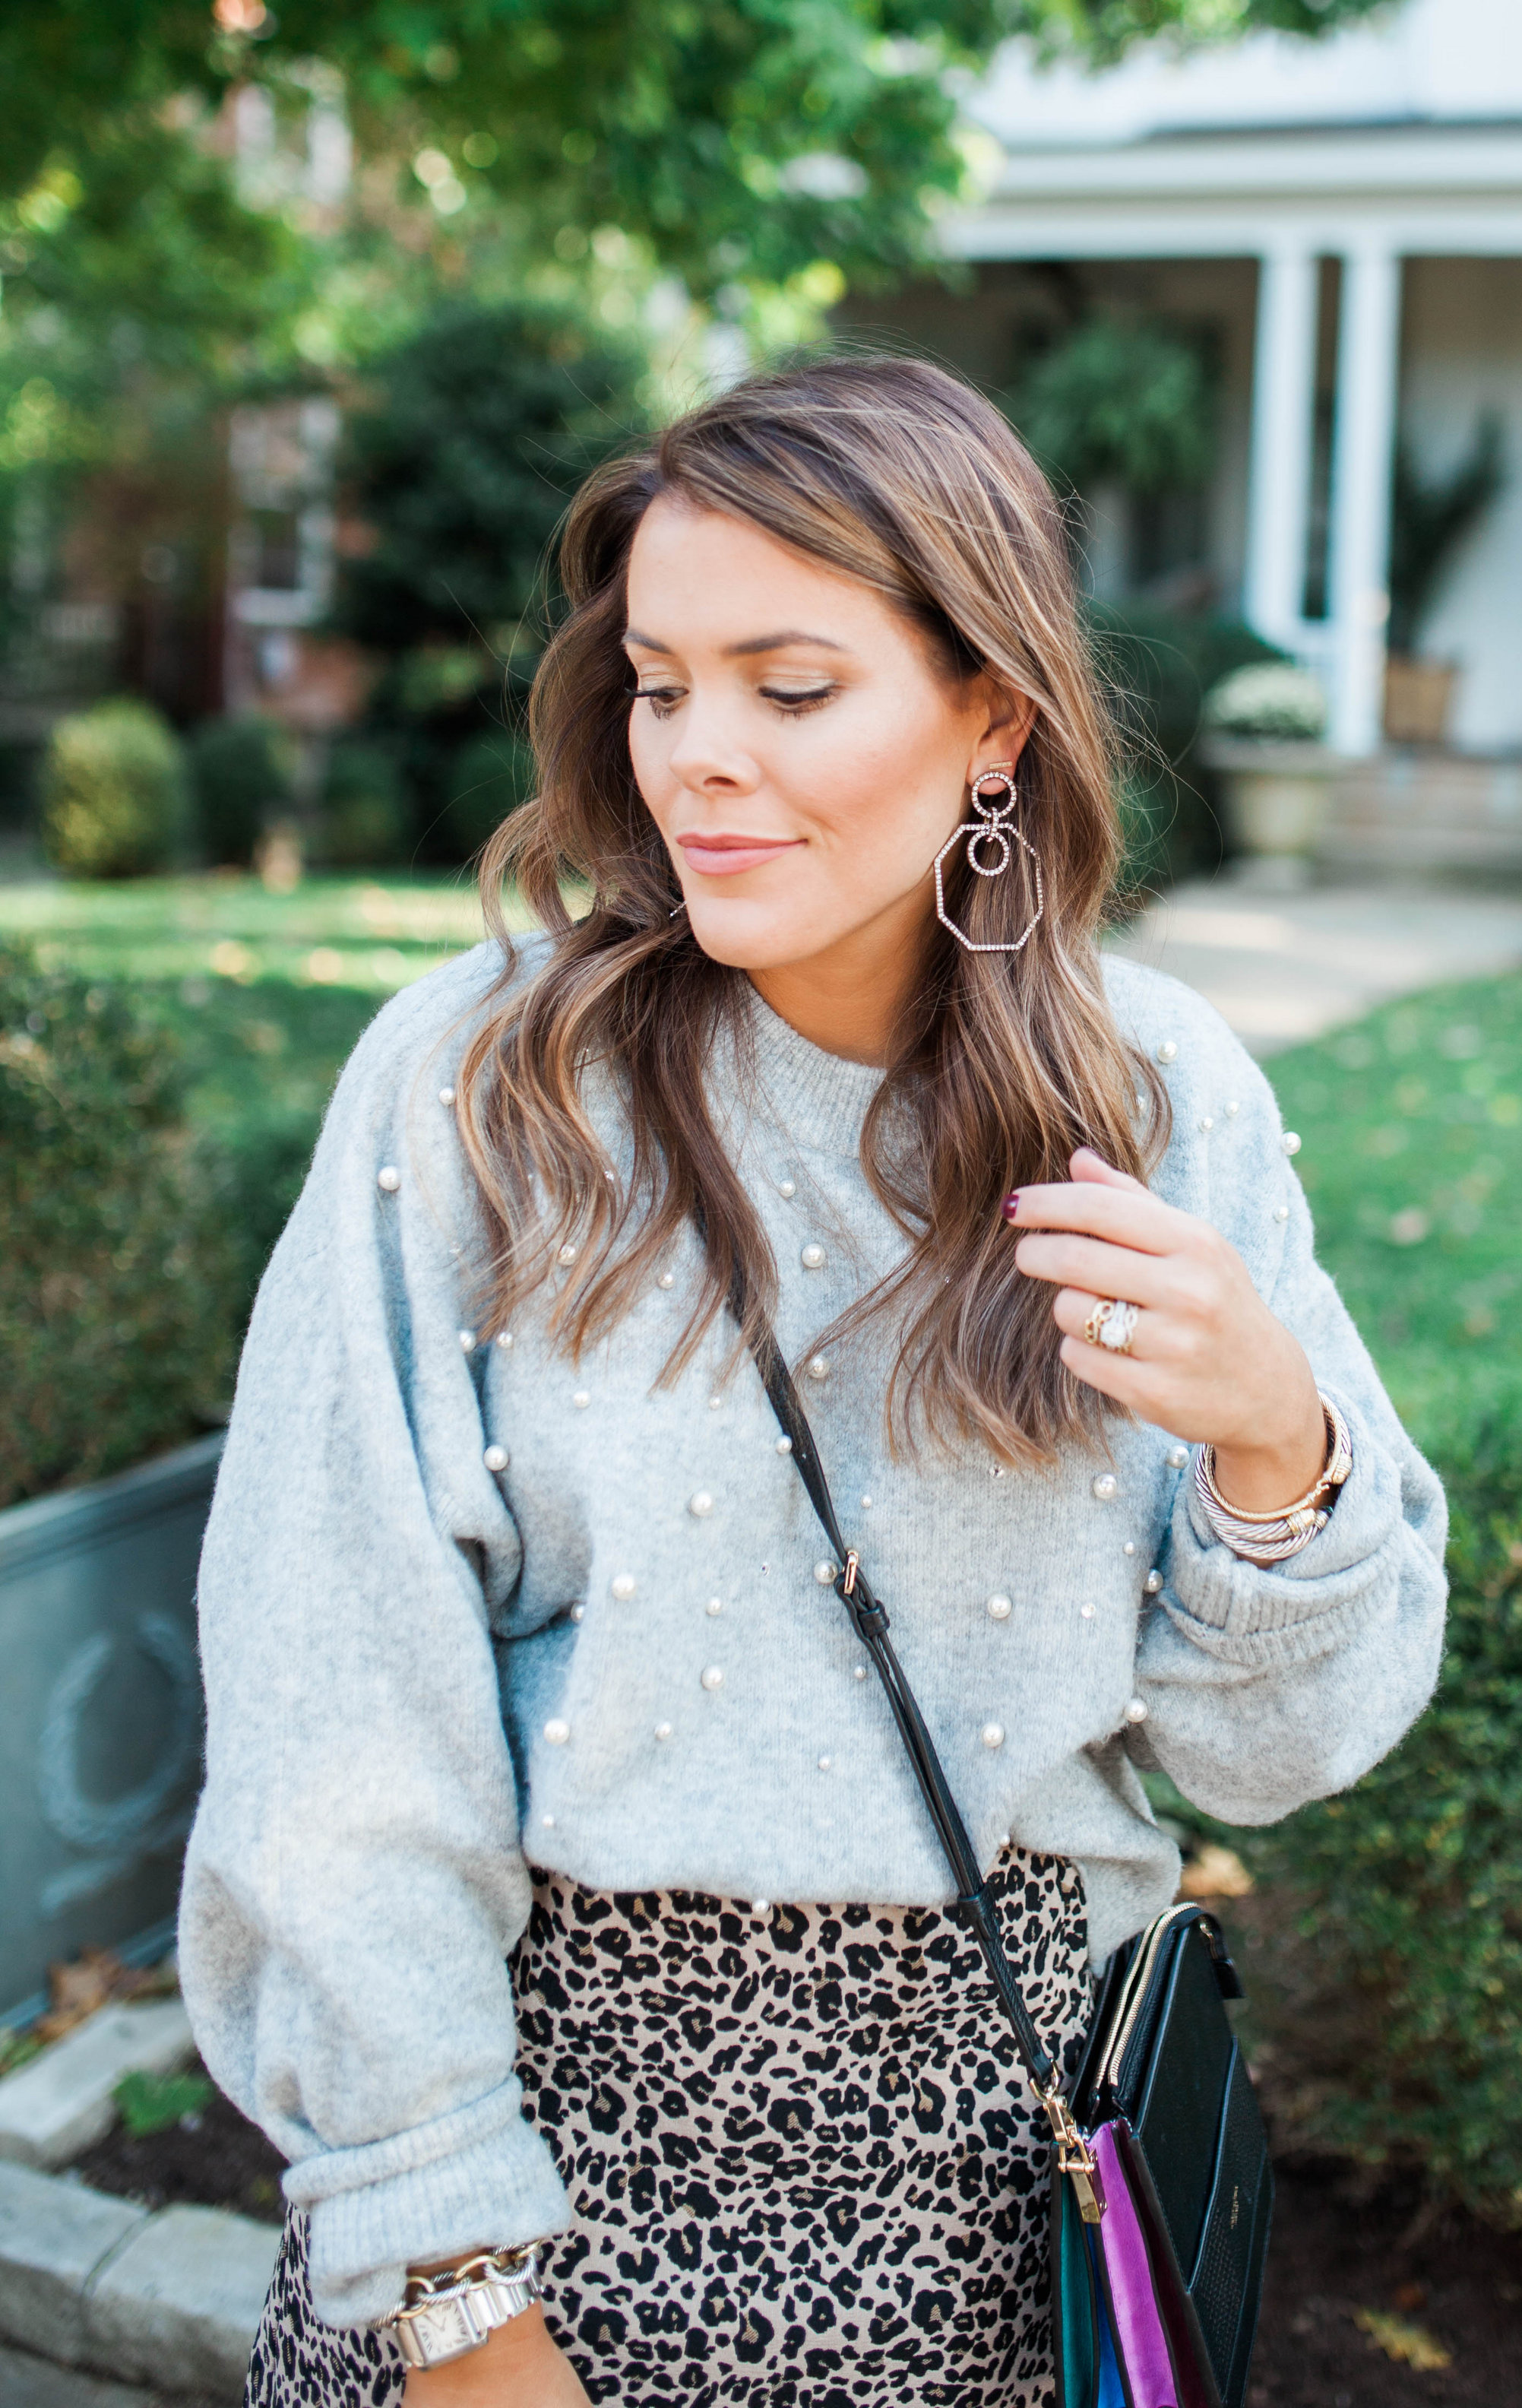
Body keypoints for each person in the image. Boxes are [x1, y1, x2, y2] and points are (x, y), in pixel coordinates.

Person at [180, 356, 1446, 2406]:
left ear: (990, 718)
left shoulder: (1157, 1101)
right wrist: (451, 2298)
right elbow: (336, 1723)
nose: (696, 758)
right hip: (531, 2172)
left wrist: (1270, 1443)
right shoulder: (485, 1089)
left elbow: (1267, 1755)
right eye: (660, 684)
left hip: (1002, 2203)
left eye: (787, 688)